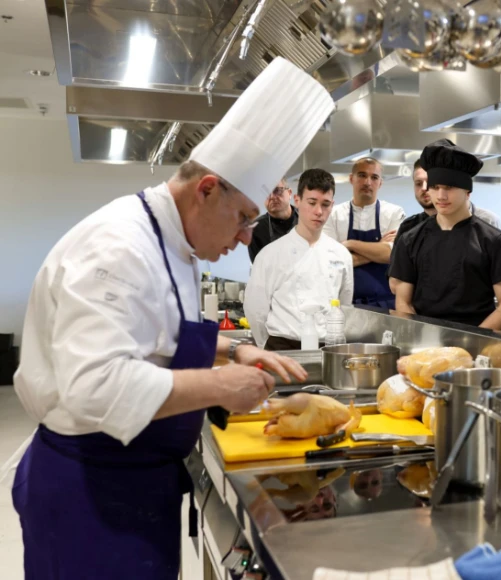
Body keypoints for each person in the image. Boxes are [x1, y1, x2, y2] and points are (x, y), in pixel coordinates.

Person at [7, 57, 334, 580]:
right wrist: (217, 384)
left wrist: (235, 350)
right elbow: (94, 384)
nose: (248, 236)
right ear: (206, 189)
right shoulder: (119, 248)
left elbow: (154, 335)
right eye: (245, 218)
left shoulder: (171, 240)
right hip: (91, 490)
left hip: (136, 483)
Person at [390, 139, 501, 329]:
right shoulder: (410, 239)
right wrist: (421, 336)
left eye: (448, 188)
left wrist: (472, 341)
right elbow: (403, 301)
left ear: (467, 191)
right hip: (424, 343)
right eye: (435, 188)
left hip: (477, 342)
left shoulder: (493, 240)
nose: (441, 196)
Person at [244, 169, 353, 351]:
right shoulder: (269, 254)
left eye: (325, 204)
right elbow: (256, 310)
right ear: (297, 200)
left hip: (326, 348)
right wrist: (266, 347)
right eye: (311, 202)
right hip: (281, 347)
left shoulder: (341, 255)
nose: (318, 211)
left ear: (332, 205)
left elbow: (345, 307)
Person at [323, 158, 405, 308]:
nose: (368, 182)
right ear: (351, 179)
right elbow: (332, 263)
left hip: (385, 303)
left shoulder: (394, 213)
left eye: (374, 177)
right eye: (362, 175)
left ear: (380, 183)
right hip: (345, 303)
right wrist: (378, 247)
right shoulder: (333, 215)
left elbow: (390, 255)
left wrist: (349, 244)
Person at [393, 159, 501, 248]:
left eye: (431, 184)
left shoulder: (488, 221)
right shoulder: (409, 228)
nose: (424, 188)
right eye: (418, 183)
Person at [247, 178, 297, 262]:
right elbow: (259, 270)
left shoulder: (307, 219)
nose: (272, 197)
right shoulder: (256, 229)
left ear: (289, 193)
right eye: (266, 193)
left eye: (277, 190)